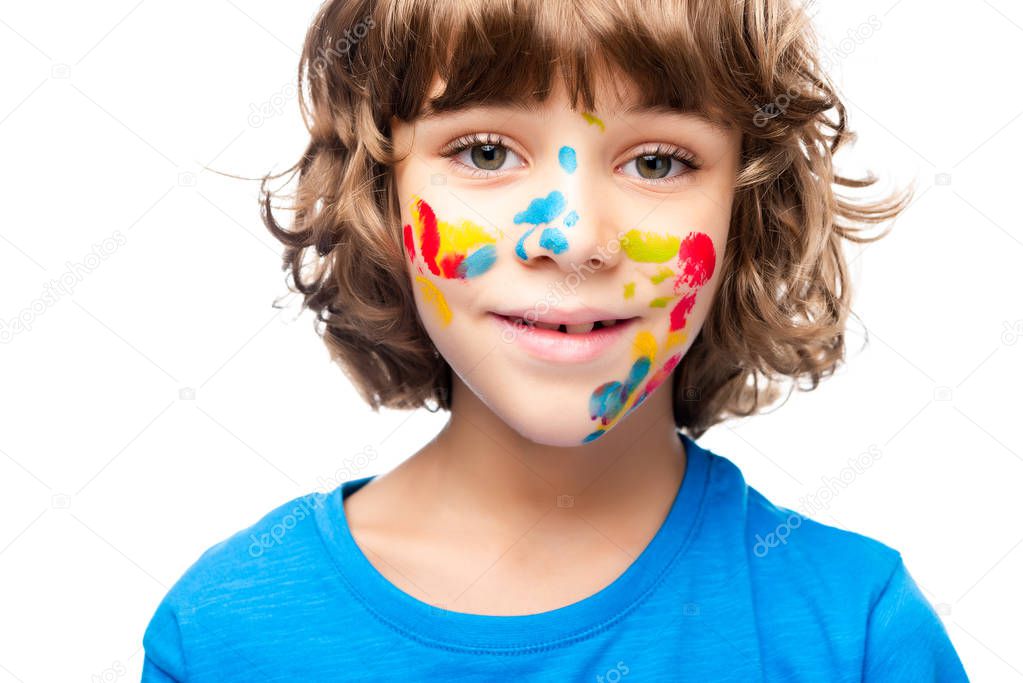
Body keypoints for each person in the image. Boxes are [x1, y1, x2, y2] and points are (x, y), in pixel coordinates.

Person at [141, 0, 970, 679]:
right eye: (485, 150)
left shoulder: (856, 634)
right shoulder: (225, 637)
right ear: (382, 192)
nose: (572, 237)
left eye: (656, 163)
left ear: (745, 208)